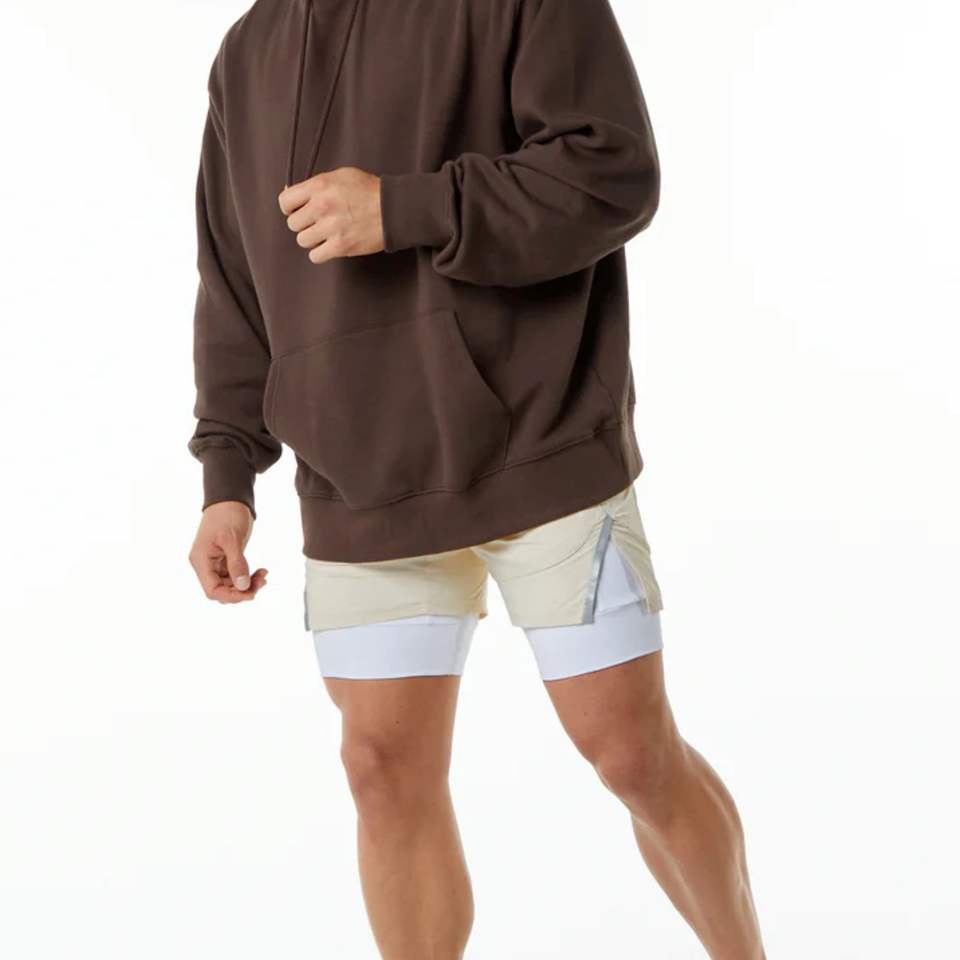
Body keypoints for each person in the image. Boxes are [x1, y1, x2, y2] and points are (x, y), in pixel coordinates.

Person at [187, 1, 766, 957]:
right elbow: (233, 282)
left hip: (541, 444)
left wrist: (407, 208)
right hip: (357, 478)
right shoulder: (249, 51)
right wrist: (227, 476)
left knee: (632, 755)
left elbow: (614, 170)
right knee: (383, 772)